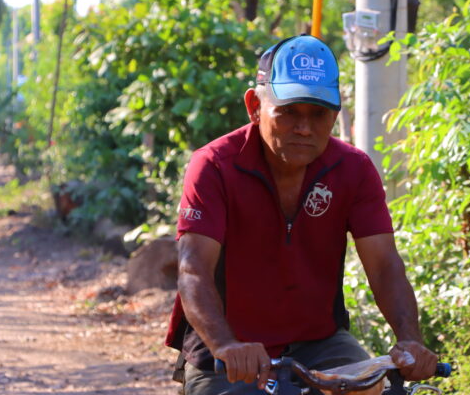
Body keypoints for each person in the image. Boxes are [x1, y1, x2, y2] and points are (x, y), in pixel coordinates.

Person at [165, 35, 438, 394]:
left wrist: (410, 340)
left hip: (322, 345)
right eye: (289, 111)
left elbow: (385, 264)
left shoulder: (353, 169)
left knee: (374, 389)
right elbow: (193, 270)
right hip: (228, 354)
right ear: (255, 106)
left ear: (336, 114)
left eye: (318, 114)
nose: (305, 128)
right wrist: (226, 345)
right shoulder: (214, 166)